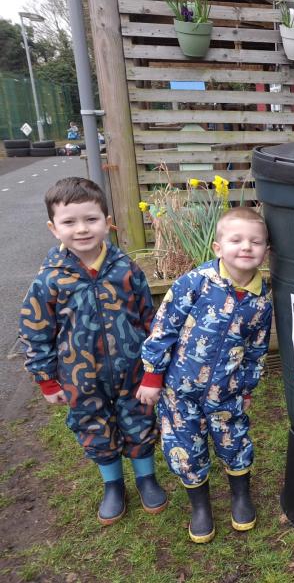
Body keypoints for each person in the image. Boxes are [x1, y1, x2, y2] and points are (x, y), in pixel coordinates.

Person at [19, 177, 166, 526]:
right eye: (70, 222)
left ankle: (146, 477)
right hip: (79, 376)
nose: (82, 229)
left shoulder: (126, 269)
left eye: (91, 219)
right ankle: (113, 485)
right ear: (54, 228)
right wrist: (46, 381)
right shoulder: (49, 279)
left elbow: (150, 320)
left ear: (107, 221)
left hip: (132, 371)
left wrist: (153, 370)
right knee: (93, 426)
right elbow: (35, 330)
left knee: (139, 422)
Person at [137, 207, 272, 543]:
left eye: (255, 242)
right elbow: (163, 327)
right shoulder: (194, 284)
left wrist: (248, 387)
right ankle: (201, 506)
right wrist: (152, 377)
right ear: (217, 247)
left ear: (265, 251)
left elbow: (257, 348)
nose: (245, 247)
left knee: (235, 441)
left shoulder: (262, 299)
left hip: (228, 392)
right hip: (179, 391)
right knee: (186, 447)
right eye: (236, 240)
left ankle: (240, 495)